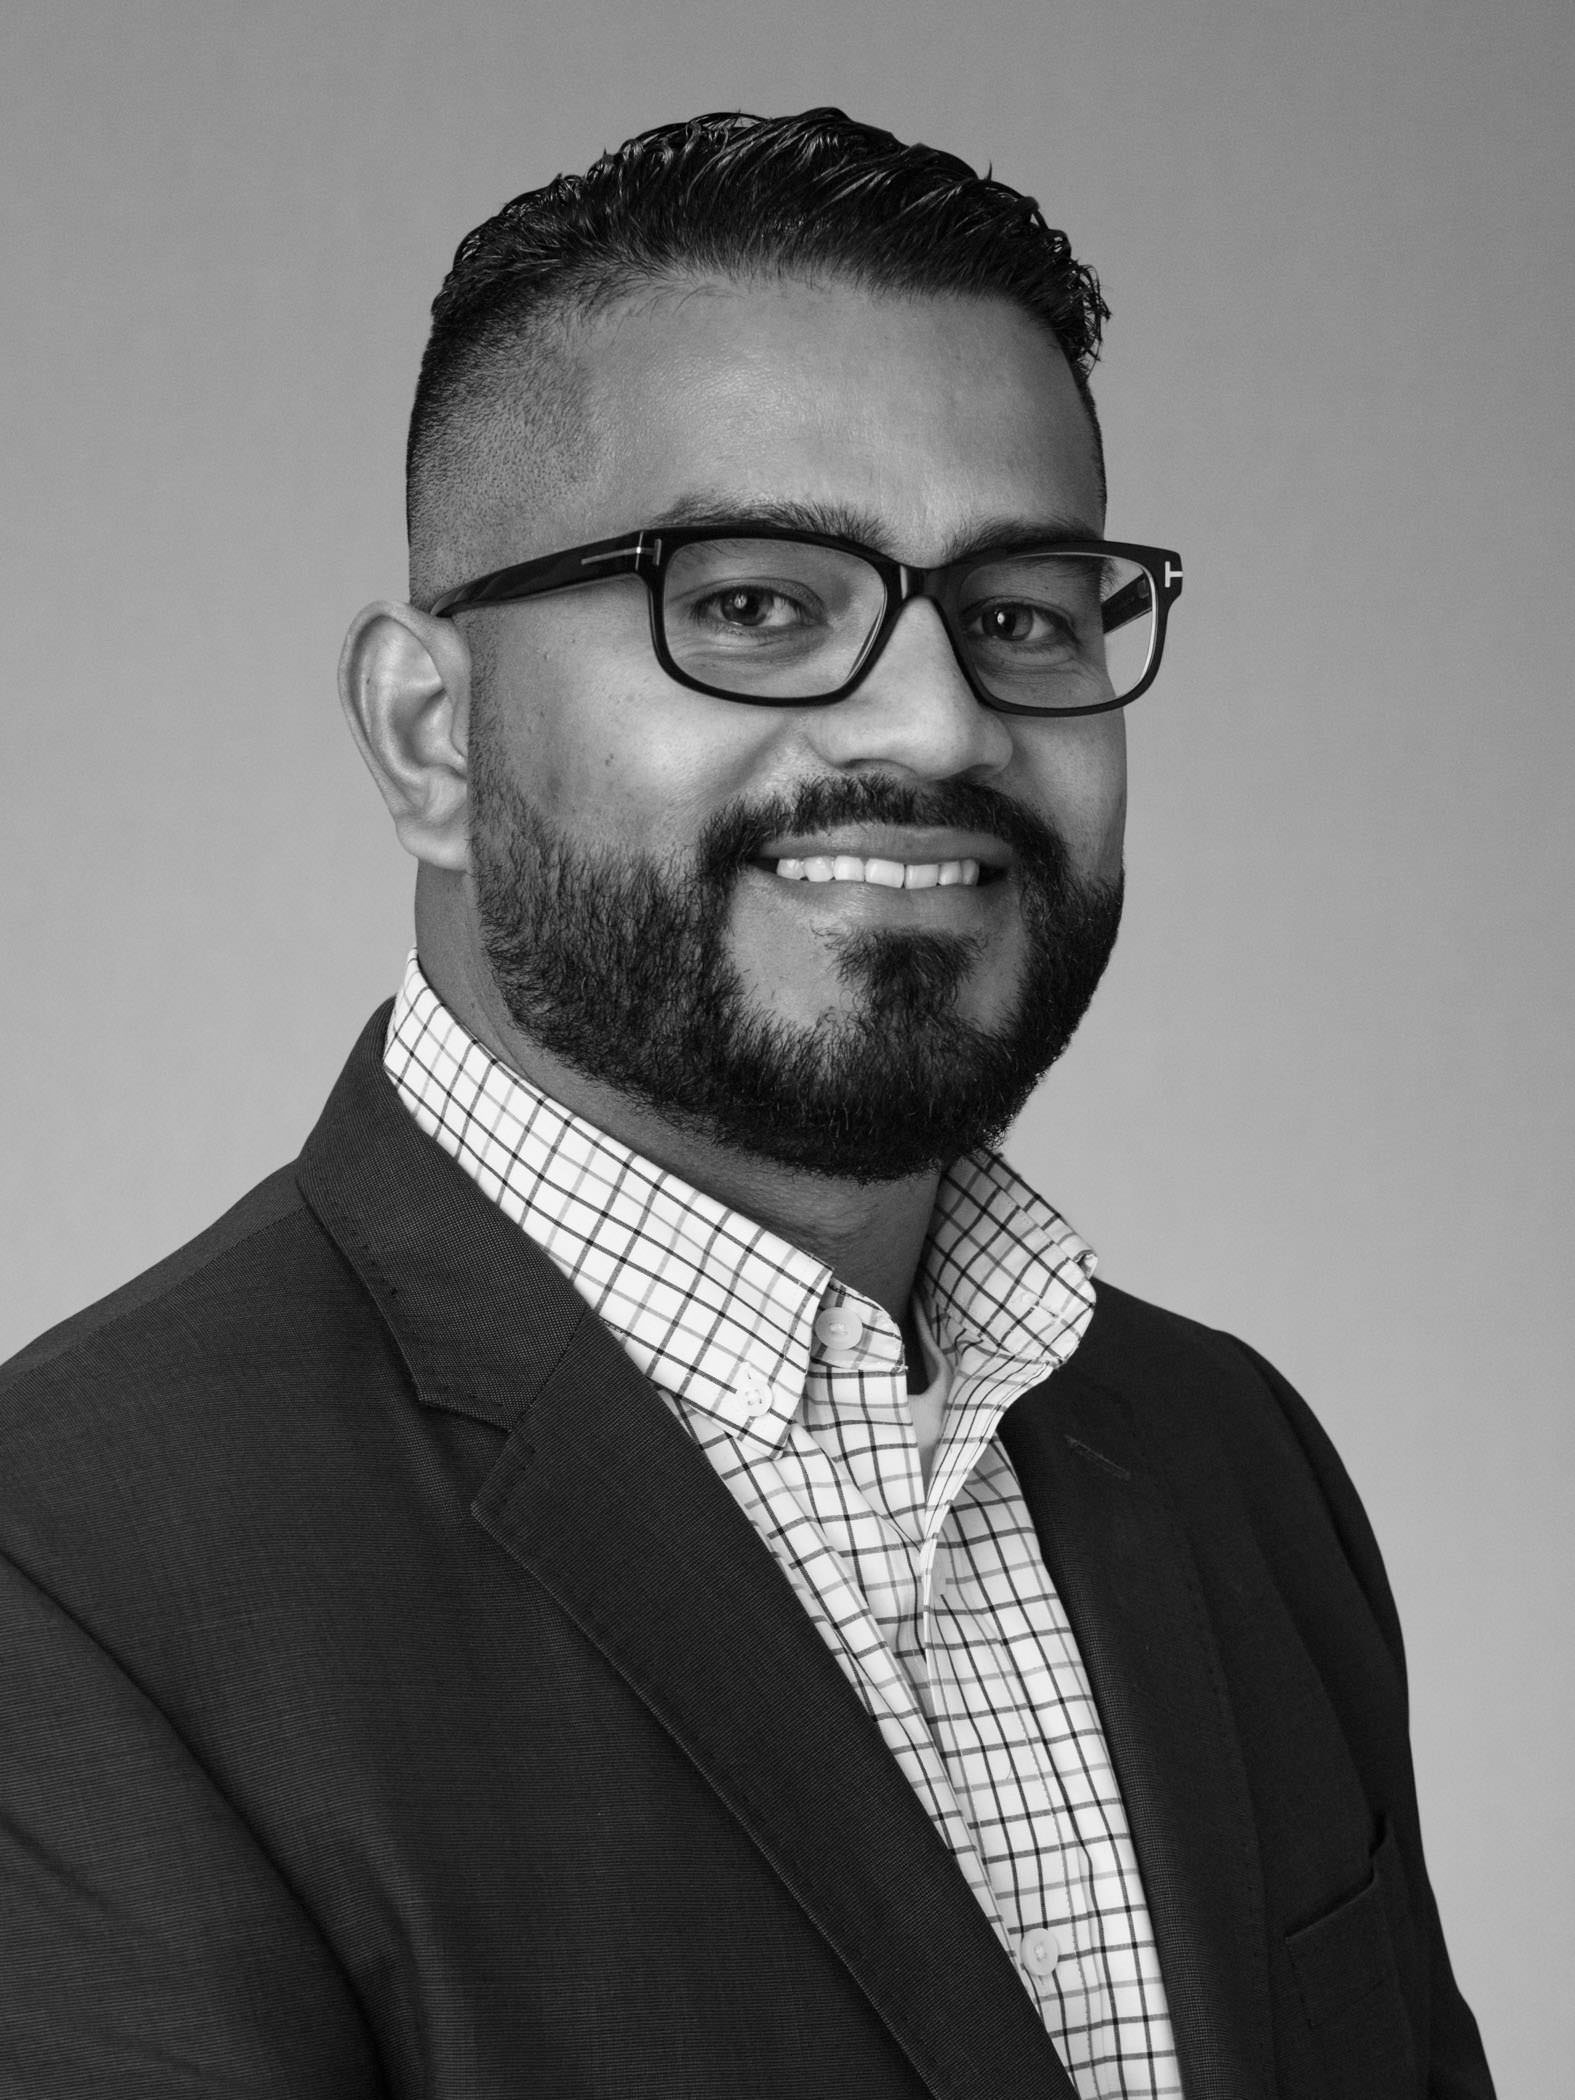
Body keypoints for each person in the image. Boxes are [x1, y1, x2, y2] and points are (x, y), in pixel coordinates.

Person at [0, 107, 1493, 2100]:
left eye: (1024, 613)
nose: (940, 721)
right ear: (432, 733)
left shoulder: (1235, 1463)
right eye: (755, 607)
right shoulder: (69, 1586)